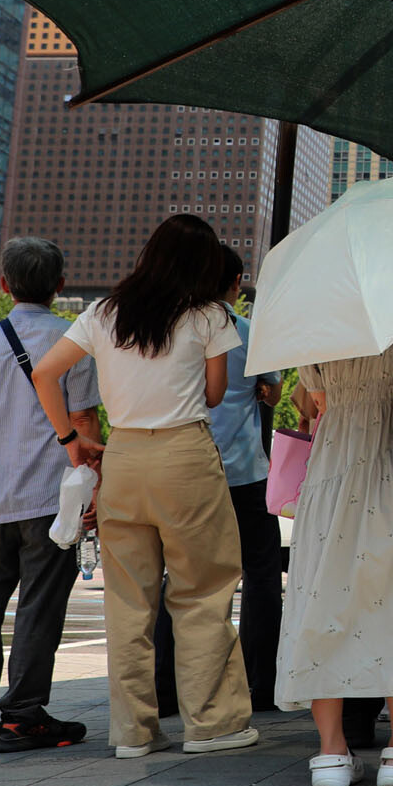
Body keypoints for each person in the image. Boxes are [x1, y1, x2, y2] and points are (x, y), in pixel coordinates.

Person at [29, 214, 257, 759]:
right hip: (184, 456)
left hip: (124, 457)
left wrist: (71, 440)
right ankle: (211, 725)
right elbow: (215, 394)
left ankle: (133, 732)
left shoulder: (104, 311)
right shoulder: (208, 316)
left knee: (128, 602)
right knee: (203, 592)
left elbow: (44, 373)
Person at [275, 302, 393, 786]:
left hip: (333, 467)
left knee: (323, 600)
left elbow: (317, 398)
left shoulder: (319, 304)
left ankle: (331, 754)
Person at [0, 237, 101, 755]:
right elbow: (81, 420)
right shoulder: (72, 339)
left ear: (3, 283)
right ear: (61, 286)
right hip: (49, 498)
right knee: (38, 608)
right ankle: (22, 716)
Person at [154, 246, 283, 715]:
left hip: (185, 471)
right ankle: (261, 683)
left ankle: (166, 689)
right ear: (234, 283)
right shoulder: (248, 332)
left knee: (180, 578)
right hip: (245, 473)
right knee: (262, 576)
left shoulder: (169, 331)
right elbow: (271, 392)